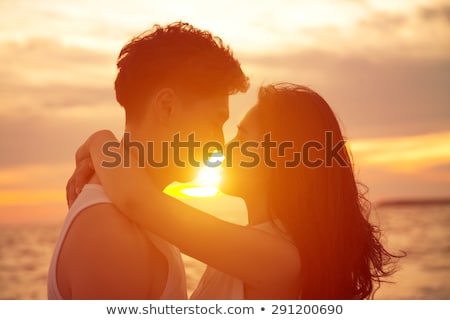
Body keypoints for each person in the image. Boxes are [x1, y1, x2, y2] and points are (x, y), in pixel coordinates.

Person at [70, 83, 399, 299]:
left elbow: (138, 201)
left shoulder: (277, 257)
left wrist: (101, 141)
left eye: (241, 139)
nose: (224, 149)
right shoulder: (265, 248)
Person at [47, 21, 249, 299]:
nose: (219, 143)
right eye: (216, 121)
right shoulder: (111, 234)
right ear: (167, 107)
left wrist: (99, 140)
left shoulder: (141, 213)